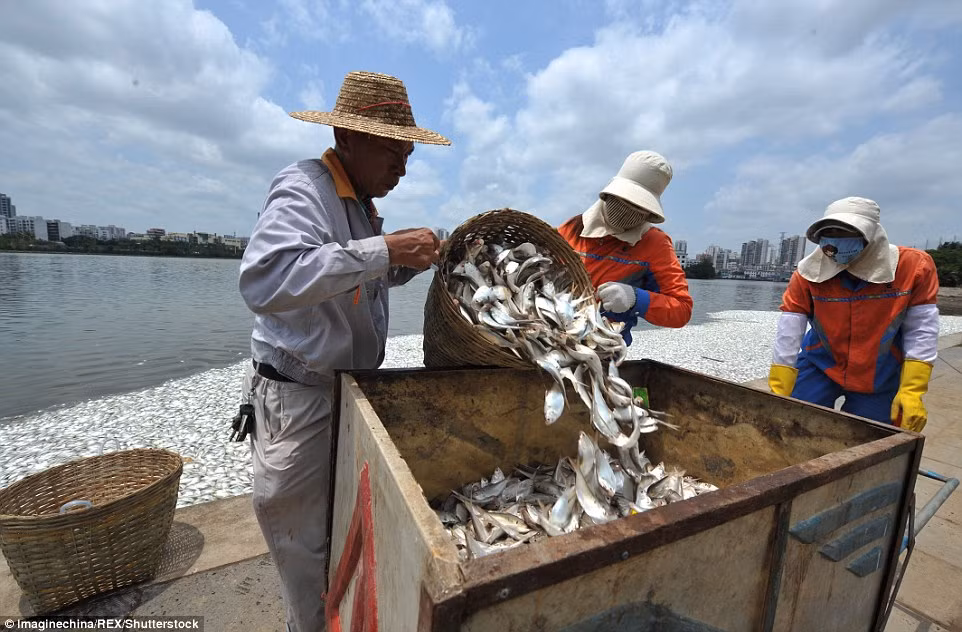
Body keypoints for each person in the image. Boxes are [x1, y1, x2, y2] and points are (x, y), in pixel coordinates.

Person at [237, 71, 450, 632]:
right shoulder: (304, 188)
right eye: (392, 151)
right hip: (299, 400)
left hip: (346, 394)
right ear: (345, 138)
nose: (402, 166)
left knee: (340, 531)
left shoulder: (359, 204)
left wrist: (401, 260)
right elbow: (267, 278)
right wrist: (383, 248)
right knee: (303, 550)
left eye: (408, 154)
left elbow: (354, 282)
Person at [768, 197, 940, 432]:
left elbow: (922, 330)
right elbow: (789, 330)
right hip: (821, 362)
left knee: (870, 437)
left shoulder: (913, 267)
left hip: (881, 372)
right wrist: (780, 386)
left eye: (845, 231)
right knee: (792, 422)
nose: (835, 240)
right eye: (829, 233)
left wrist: (912, 390)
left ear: (871, 234)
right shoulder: (807, 273)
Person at [558, 150, 693, 344]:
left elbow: (682, 310)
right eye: (622, 201)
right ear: (608, 195)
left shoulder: (655, 245)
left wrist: (636, 299)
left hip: (604, 348)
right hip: (550, 336)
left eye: (638, 207)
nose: (627, 211)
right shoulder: (572, 228)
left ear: (648, 212)